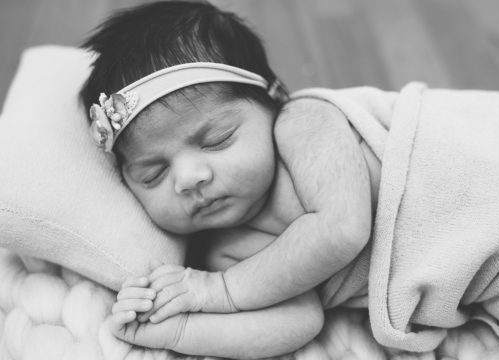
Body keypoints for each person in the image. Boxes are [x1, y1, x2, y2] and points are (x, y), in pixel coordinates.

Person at [80, 1, 375, 358]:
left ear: (275, 98)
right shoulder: (224, 251)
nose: (188, 179)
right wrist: (178, 330)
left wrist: (222, 291)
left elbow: (342, 227)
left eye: (217, 139)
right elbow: (299, 321)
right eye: (152, 173)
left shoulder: (303, 122)